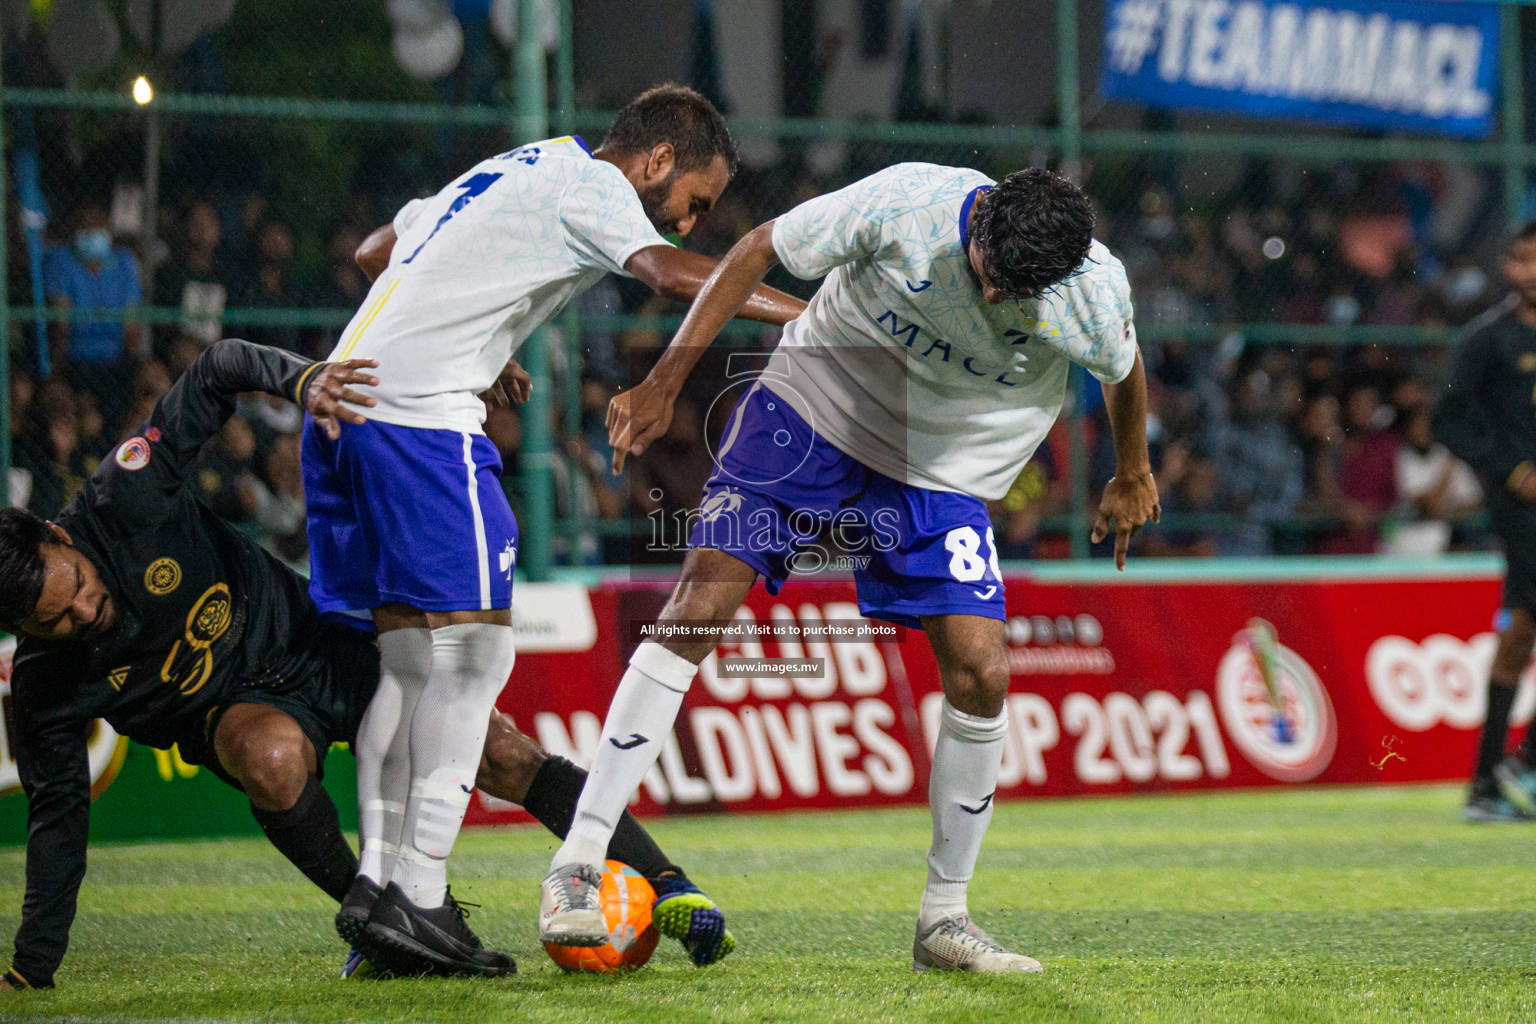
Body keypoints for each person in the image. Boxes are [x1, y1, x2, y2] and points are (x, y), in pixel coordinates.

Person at [541, 165, 1159, 972]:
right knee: (695, 607)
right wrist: (666, 379)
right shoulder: (907, 205)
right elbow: (759, 247)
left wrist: (1133, 471)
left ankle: (944, 921)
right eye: (993, 279)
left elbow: (1123, 369)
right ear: (978, 229)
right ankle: (578, 863)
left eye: (1025, 291)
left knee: (982, 670)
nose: (1004, 301)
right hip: (814, 407)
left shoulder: (1091, 289)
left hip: (942, 464)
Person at [0, 338, 718, 990]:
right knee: (271, 760)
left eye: (76, 589)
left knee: (499, 752)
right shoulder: (43, 684)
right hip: (238, 712)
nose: (83, 615)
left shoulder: (125, 496)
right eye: (55, 623)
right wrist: (33, 967)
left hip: (315, 639)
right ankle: (387, 920)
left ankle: (666, 878)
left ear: (56, 535)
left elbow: (218, 367)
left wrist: (304, 379)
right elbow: (57, 816)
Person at [305, 83, 805, 975]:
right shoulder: (599, 189)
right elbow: (667, 274)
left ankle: (377, 894)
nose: (690, 225)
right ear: (657, 160)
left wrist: (482, 340)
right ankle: (419, 901)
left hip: (340, 406)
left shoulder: (515, 166)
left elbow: (377, 249)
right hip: (419, 424)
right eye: (692, 202)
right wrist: (804, 315)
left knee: (411, 668)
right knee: (474, 662)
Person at [1433, 221, 1536, 822]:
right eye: (1521, 260)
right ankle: (1521, 764)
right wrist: (1511, 469)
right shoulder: (1487, 341)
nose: (1529, 271)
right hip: (1521, 508)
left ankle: (1485, 787)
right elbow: (1447, 418)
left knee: (1519, 635)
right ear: (1508, 269)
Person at [42, 202, 146, 429]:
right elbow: (61, 324)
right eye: (85, 227)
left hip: (116, 360)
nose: (91, 233)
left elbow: (132, 326)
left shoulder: (124, 262)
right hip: (75, 361)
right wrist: (58, 371)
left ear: (108, 232)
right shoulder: (61, 260)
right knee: (86, 418)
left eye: (97, 227)